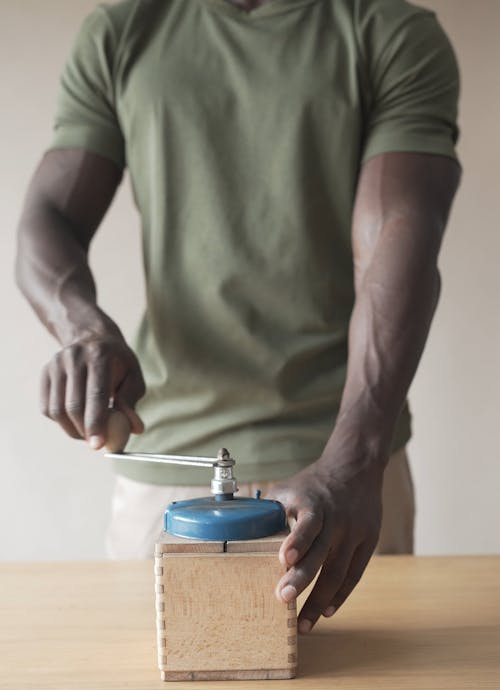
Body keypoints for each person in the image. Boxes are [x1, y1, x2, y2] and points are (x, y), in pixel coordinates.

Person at [16, 0, 460, 634]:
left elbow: (399, 236)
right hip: (168, 473)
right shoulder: (122, 32)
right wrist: (82, 329)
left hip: (346, 464)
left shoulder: (388, 31)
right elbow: (48, 219)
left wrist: (356, 458)